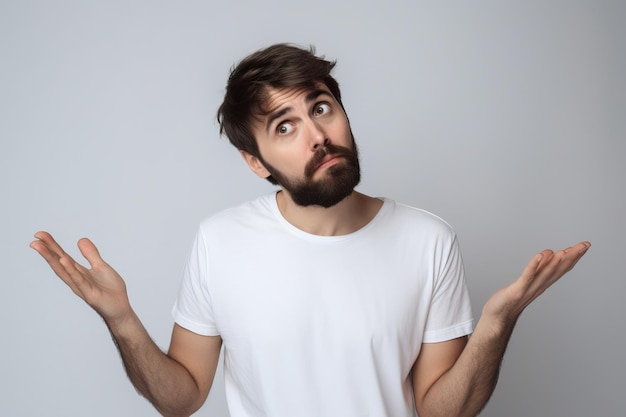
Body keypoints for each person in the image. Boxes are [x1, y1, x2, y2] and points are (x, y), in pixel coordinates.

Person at [30, 44, 590, 417]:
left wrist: (496, 324)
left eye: (322, 107)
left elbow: (439, 410)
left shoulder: (427, 240)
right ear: (257, 162)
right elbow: (183, 398)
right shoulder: (220, 241)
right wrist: (123, 322)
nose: (316, 135)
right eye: (285, 125)